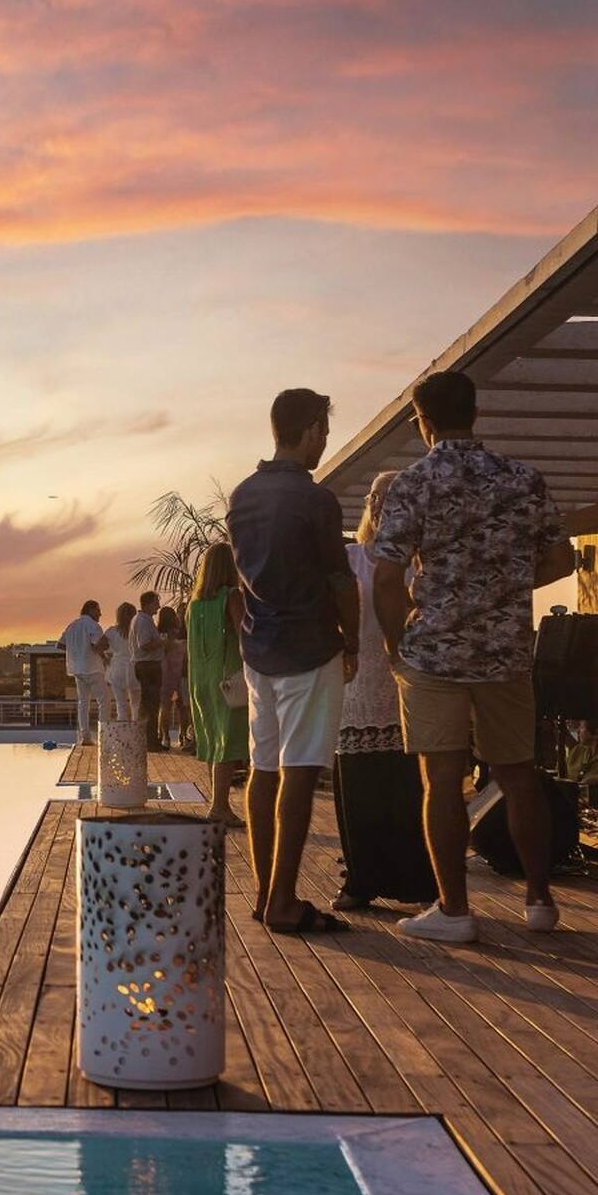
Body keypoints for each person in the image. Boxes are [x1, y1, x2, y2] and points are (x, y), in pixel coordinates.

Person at [372, 369, 576, 943]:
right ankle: (540, 900)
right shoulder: (523, 479)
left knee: (441, 779)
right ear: (475, 413)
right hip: (506, 651)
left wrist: (393, 645)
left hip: (434, 655)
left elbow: (386, 577)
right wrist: (501, 587)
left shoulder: (414, 483)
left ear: (423, 421)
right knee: (518, 775)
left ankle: (455, 909)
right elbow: (561, 560)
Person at [227, 387, 357, 934]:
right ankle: (283, 901)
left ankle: (265, 894)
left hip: (260, 648)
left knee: (264, 769)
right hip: (308, 646)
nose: (324, 443)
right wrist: (353, 640)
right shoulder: (315, 499)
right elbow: (339, 579)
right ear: (310, 431)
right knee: (299, 773)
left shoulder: (242, 496)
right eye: (323, 432)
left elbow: (243, 577)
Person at [332, 471, 434, 912]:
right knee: (359, 786)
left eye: (391, 497)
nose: (380, 504)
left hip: (404, 681)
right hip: (357, 683)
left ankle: (417, 882)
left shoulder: (419, 562)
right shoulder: (350, 557)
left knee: (404, 788)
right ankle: (361, 879)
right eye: (374, 497)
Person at [186, 543, 248, 828]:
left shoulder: (194, 605)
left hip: (201, 681)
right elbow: (245, 634)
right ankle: (219, 806)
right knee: (228, 742)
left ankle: (217, 802)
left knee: (214, 740)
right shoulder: (232, 596)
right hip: (228, 681)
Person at [60, 600, 112, 747]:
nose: (100, 614)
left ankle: (85, 737)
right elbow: (98, 645)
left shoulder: (72, 626)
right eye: (98, 610)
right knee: (104, 701)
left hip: (77, 669)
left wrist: (76, 652)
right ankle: (103, 736)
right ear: (90, 610)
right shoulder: (93, 626)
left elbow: (60, 644)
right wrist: (105, 648)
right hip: (93, 668)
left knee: (83, 703)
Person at [133, 591, 167, 750]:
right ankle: (150, 741)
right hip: (148, 666)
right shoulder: (143, 621)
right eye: (156, 603)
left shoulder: (143, 620)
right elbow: (144, 645)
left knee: (148, 704)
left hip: (147, 665)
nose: (158, 606)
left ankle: (148, 740)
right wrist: (163, 642)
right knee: (150, 705)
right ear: (148, 604)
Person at [158, 604, 188, 750]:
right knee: (182, 707)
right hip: (180, 672)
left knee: (166, 707)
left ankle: (165, 736)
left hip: (167, 673)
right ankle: (182, 736)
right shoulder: (181, 633)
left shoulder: (160, 634)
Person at [107, 602, 141, 721]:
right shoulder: (137, 631)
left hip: (117, 668)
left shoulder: (112, 631)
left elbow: (98, 645)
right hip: (134, 667)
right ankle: (136, 726)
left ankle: (122, 727)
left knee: (120, 704)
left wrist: (105, 658)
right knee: (136, 703)